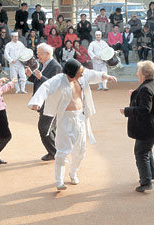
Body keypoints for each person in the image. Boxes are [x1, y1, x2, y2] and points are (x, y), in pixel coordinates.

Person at [28, 58, 117, 190]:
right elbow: (45, 88)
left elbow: (93, 74)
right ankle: (59, 181)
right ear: (71, 72)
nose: (83, 73)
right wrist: (37, 102)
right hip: (65, 120)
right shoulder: (58, 80)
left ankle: (73, 173)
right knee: (62, 151)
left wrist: (106, 76)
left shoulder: (82, 76)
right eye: (80, 71)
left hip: (80, 118)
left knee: (80, 151)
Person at [120, 60, 154, 192]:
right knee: (146, 150)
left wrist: (127, 110)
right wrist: (135, 94)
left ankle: (146, 182)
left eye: (138, 72)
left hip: (147, 128)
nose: (137, 74)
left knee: (141, 152)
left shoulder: (145, 88)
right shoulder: (153, 85)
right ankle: (152, 173)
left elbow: (145, 110)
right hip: (153, 127)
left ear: (144, 74)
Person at [25, 43, 62, 161]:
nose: (37, 55)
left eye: (39, 53)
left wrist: (41, 77)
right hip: (44, 101)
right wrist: (31, 76)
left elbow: (55, 85)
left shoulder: (55, 66)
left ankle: (55, 152)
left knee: (44, 128)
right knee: (50, 128)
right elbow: (39, 80)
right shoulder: (44, 64)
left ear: (47, 53)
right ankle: (55, 151)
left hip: (50, 102)